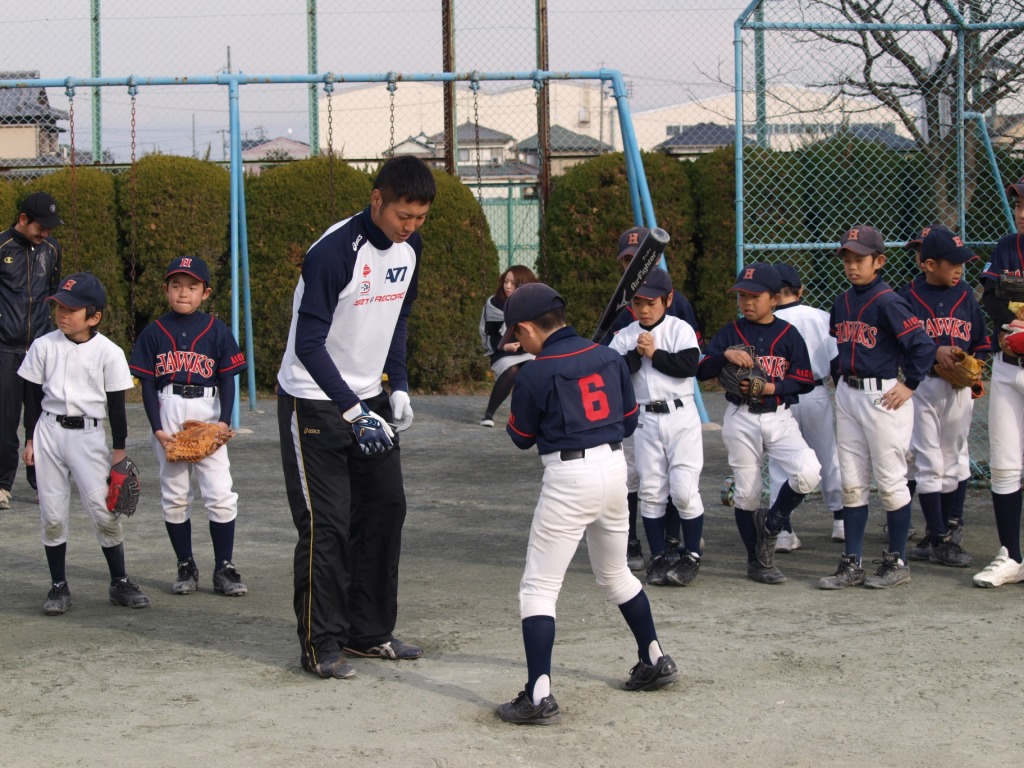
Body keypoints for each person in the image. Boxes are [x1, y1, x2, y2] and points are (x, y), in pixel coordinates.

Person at [277, 155, 436, 680]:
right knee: (328, 526)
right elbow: (308, 343)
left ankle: (369, 633)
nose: (410, 228)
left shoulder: (409, 249)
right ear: (377, 200)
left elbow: (398, 319)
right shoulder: (333, 253)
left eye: (418, 219)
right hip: (312, 400)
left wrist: (400, 384)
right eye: (402, 217)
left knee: (386, 509)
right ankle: (320, 644)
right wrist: (351, 409)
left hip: (369, 399)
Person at [497, 282, 677, 726]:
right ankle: (653, 657)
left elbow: (520, 438)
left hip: (568, 476)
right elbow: (629, 419)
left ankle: (538, 695)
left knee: (539, 588)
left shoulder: (535, 371)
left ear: (526, 327)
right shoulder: (609, 356)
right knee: (615, 573)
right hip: (615, 470)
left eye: (516, 334)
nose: (517, 342)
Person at [18, 272, 149, 614]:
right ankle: (58, 586)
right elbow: (31, 398)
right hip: (48, 432)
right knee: (52, 514)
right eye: (59, 306)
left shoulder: (109, 352)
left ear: (94, 317)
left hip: (89, 436)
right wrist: (30, 438)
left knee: (105, 511)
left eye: (71, 309)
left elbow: (117, 408)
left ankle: (119, 582)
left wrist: (118, 453)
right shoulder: (44, 345)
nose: (62, 313)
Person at [818, 225, 935, 590]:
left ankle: (897, 560)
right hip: (850, 396)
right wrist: (840, 379)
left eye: (860, 259)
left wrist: (909, 384)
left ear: (879, 261)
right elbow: (840, 346)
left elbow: (923, 346)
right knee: (852, 482)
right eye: (848, 259)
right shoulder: (843, 301)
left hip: (883, 396)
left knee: (890, 480)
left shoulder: (888, 301)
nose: (852, 266)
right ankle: (851, 562)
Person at [128, 256, 249, 597]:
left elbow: (227, 380)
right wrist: (157, 430)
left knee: (220, 492)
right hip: (168, 407)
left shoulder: (218, 330)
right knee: (175, 492)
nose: (184, 292)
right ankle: (185, 564)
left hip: (207, 408)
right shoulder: (154, 332)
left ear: (205, 293)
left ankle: (224, 566)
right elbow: (148, 386)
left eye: (192, 286)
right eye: (176, 285)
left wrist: (224, 421)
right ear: (166, 289)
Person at [697, 262, 820, 585]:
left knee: (809, 471)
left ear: (774, 298)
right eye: (741, 296)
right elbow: (702, 370)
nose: (747, 302)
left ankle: (774, 520)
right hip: (740, 417)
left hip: (779, 416)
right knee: (747, 494)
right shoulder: (730, 332)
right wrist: (724, 355)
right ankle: (757, 561)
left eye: (754, 296)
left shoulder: (788, 334)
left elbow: (804, 380)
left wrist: (772, 388)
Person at [602, 226, 701, 571]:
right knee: (646, 485)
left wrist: (654, 354)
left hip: (678, 412)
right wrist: (636, 355)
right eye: (628, 261)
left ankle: (682, 546)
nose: (643, 308)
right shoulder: (621, 320)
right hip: (640, 415)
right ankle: (647, 547)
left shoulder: (678, 320)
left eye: (651, 301)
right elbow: (610, 368)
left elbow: (689, 364)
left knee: (681, 485)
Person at [899, 229, 988, 568]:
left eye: (963, 264)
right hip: (922, 386)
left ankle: (945, 531)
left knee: (955, 459)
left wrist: (976, 370)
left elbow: (980, 341)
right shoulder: (906, 298)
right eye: (954, 264)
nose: (960, 270)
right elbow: (900, 344)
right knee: (928, 461)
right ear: (929, 264)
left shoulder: (965, 295)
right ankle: (938, 538)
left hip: (958, 390)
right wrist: (932, 352)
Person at [767, 262, 845, 549]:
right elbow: (836, 362)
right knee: (827, 455)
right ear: (801, 290)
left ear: (773, 294)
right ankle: (840, 520)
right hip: (814, 393)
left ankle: (783, 531)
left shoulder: (767, 320)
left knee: (780, 461)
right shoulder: (821, 316)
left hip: (779, 396)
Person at [0, 192, 63, 509]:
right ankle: (2, 484)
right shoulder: (2, 247)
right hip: (5, 347)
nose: (47, 234)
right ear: (23, 220)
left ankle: (42, 482)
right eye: (42, 227)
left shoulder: (52, 249)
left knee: (41, 416)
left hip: (40, 346)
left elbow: (53, 291)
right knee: (4, 418)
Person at [975, 176, 1024, 587]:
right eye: (1019, 204)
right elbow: (989, 295)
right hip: (1007, 366)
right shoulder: (1008, 245)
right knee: (1005, 463)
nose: (1022, 212)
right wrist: (1010, 318)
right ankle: (1011, 554)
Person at [478, 265, 537, 427]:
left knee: (531, 368)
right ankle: (489, 414)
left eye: (513, 283)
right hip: (502, 352)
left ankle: (528, 415)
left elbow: (539, 332)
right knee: (512, 370)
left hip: (528, 351)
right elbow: (489, 335)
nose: (508, 286)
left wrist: (527, 344)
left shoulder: (533, 303)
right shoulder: (494, 304)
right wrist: (505, 347)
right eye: (506, 282)